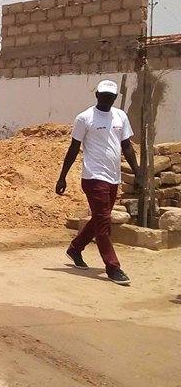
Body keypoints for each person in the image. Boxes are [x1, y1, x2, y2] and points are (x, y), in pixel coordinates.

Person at [56, 80, 139, 286]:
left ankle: (75, 248)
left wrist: (139, 173)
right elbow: (74, 148)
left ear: (115, 98)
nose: (107, 100)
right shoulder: (85, 118)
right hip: (94, 177)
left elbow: (127, 146)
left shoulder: (120, 116)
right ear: (97, 96)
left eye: (111, 97)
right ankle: (112, 266)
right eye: (103, 96)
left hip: (113, 176)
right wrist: (62, 176)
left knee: (100, 218)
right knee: (104, 221)